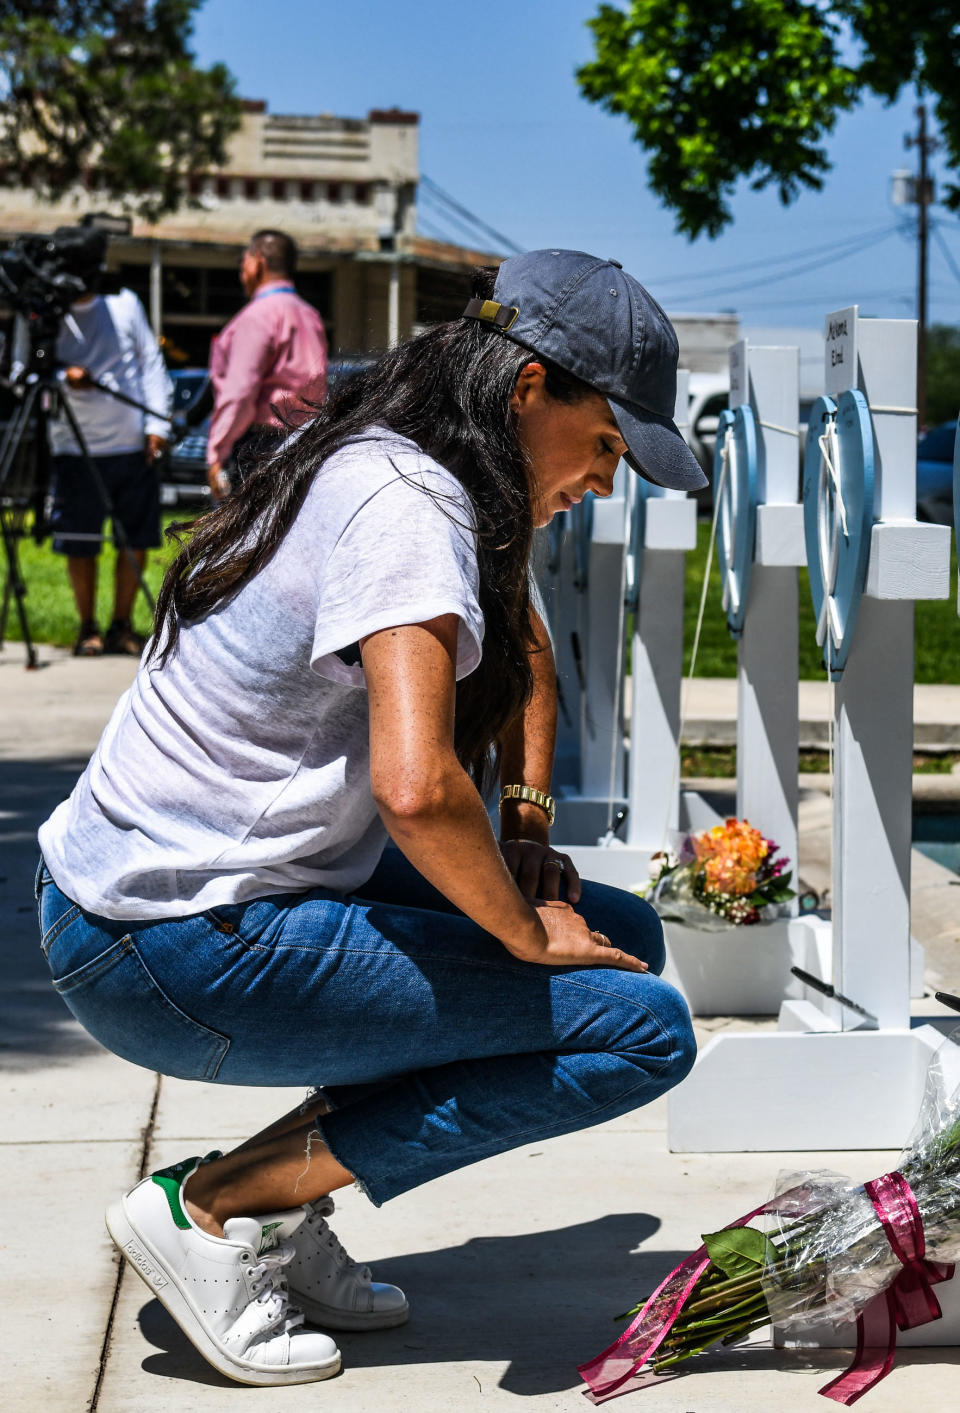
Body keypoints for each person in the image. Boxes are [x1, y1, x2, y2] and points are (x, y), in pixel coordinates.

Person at [36, 249, 707, 1388]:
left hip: (188, 897)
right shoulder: (406, 505)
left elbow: (528, 647)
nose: (608, 479)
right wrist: (519, 930)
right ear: (531, 385)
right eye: (606, 445)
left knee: (626, 943)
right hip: (166, 943)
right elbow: (415, 787)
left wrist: (530, 839)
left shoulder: (428, 457)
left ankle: (282, 1211)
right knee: (639, 1028)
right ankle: (217, 1207)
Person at [12, 226, 173, 656]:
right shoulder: (42, 313)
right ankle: (87, 628)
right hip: (72, 446)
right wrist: (64, 376)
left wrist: (158, 428)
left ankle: (121, 624)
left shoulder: (124, 304)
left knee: (135, 540)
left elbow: (150, 363)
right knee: (80, 541)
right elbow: (20, 372)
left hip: (131, 445)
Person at [206, 228, 328, 500]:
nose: (241, 271)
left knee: (247, 538)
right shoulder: (310, 315)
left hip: (260, 446)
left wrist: (217, 452)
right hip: (306, 442)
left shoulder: (258, 316)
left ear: (258, 261)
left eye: (244, 261)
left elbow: (239, 392)